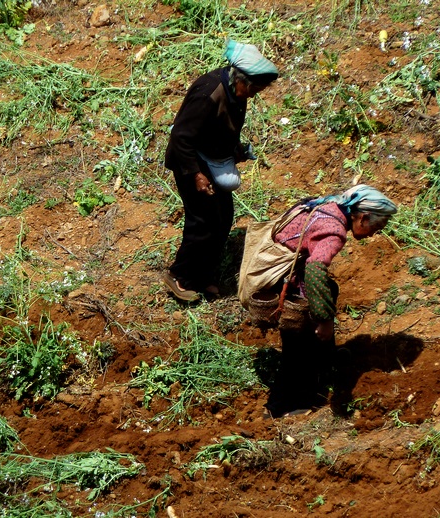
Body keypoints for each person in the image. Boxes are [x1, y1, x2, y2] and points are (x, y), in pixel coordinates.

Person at [264, 184, 398, 417]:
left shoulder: (331, 206)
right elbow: (315, 270)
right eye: (378, 226)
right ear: (364, 217)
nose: (376, 232)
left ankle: (325, 361)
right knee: (296, 343)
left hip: (286, 268)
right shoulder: (334, 231)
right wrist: (324, 320)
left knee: (330, 289)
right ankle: (281, 405)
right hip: (282, 281)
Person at [163, 39, 279, 302]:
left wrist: (235, 149)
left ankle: (203, 275)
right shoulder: (209, 92)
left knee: (223, 217)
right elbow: (181, 136)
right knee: (202, 221)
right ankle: (180, 276)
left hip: (210, 157)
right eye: (252, 89)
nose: (252, 95)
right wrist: (196, 174)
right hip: (188, 160)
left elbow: (224, 128)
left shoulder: (237, 93)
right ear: (241, 79)